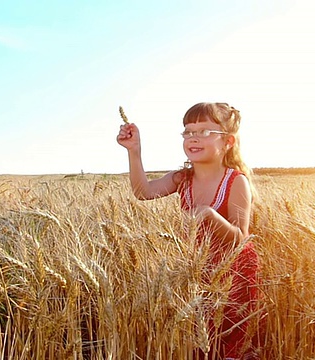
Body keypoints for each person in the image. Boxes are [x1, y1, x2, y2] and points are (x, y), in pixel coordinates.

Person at [116, 102, 261, 360]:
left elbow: (241, 236)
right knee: (201, 342)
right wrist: (134, 151)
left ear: (227, 141)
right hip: (198, 272)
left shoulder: (236, 181)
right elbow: (143, 192)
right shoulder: (182, 178)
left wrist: (208, 214)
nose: (193, 137)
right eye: (188, 131)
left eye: (205, 132)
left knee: (230, 345)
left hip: (233, 277)